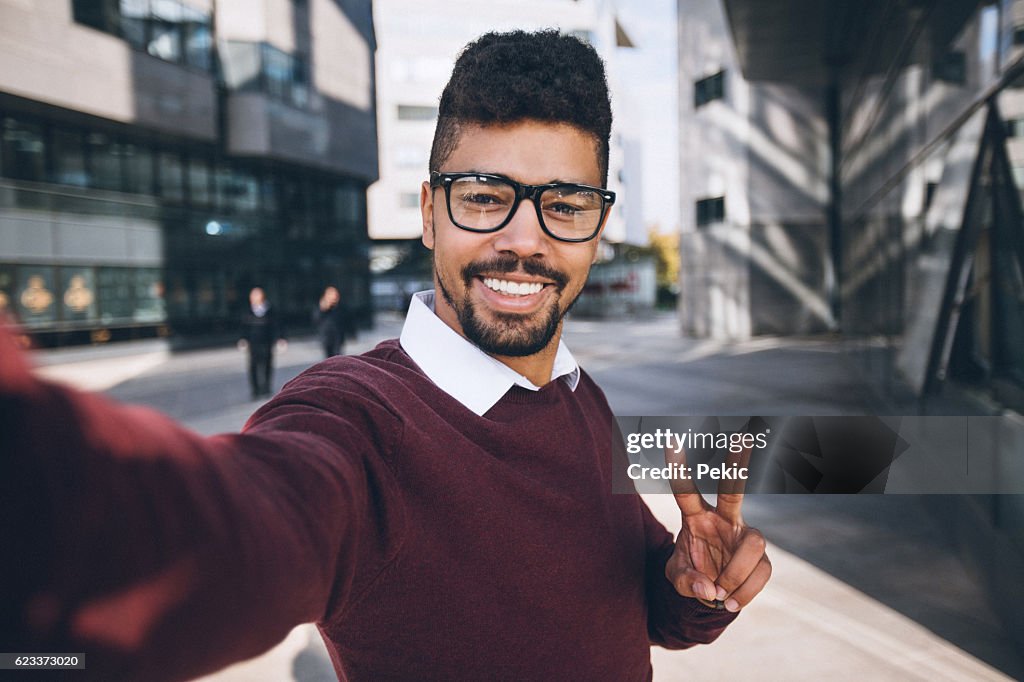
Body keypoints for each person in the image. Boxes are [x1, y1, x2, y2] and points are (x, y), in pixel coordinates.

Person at [0, 31, 769, 681]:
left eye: (564, 205)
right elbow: (212, 527)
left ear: (596, 234)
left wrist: (692, 589)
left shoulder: (579, 396)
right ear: (430, 213)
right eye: (483, 195)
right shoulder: (356, 425)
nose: (525, 239)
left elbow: (630, 608)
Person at [239, 286, 285, 399]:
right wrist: (243, 339)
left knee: (267, 365)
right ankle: (255, 390)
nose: (254, 298)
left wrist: (280, 338)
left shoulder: (270, 310)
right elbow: (243, 327)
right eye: (252, 295)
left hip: (267, 342)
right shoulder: (248, 311)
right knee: (253, 366)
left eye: (257, 295)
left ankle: (266, 387)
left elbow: (277, 325)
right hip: (253, 343)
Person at [313, 285, 346, 358]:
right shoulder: (321, 307)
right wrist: (323, 308)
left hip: (338, 337)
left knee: (338, 357)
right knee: (328, 358)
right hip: (326, 337)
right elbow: (316, 319)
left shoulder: (340, 307)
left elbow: (345, 320)